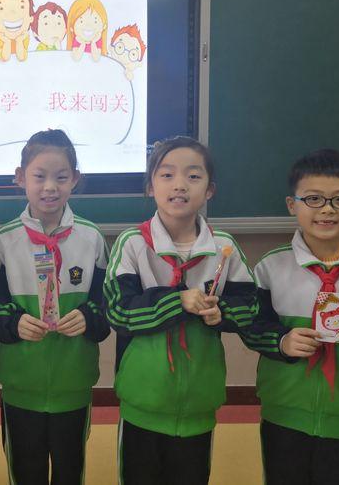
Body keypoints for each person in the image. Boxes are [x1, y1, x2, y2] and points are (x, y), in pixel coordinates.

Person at [104, 135, 257, 485]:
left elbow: (250, 307)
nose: (179, 185)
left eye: (193, 176)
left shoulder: (223, 247)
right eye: (167, 175)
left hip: (199, 403)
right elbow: (118, 312)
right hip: (142, 402)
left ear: (210, 190)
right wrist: (177, 300)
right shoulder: (133, 244)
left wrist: (222, 313)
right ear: (150, 186)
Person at [241, 149, 339, 485]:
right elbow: (251, 328)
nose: (327, 209)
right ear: (291, 205)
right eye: (313, 199)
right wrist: (282, 341)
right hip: (284, 413)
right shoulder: (270, 269)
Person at [0, 129, 110, 484]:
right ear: (20, 177)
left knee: (70, 471)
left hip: (74, 382)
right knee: (25, 472)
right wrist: (13, 324)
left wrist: (88, 317)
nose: (50, 187)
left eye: (61, 177)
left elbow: (107, 306)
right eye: (39, 176)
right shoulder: (4, 241)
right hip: (20, 383)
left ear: (76, 179)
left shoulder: (92, 239)